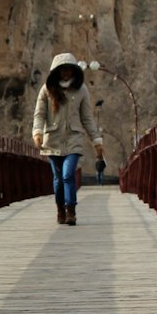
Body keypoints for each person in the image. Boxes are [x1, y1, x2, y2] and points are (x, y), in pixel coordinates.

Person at [32, 52, 104, 226]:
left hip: (74, 139)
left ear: (74, 71)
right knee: (57, 179)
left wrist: (97, 140)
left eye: (69, 69)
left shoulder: (81, 89)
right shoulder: (46, 89)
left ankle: (71, 209)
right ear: (56, 71)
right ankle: (60, 210)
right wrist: (37, 132)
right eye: (62, 70)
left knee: (67, 174)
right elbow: (40, 114)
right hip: (52, 139)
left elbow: (87, 118)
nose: (65, 73)